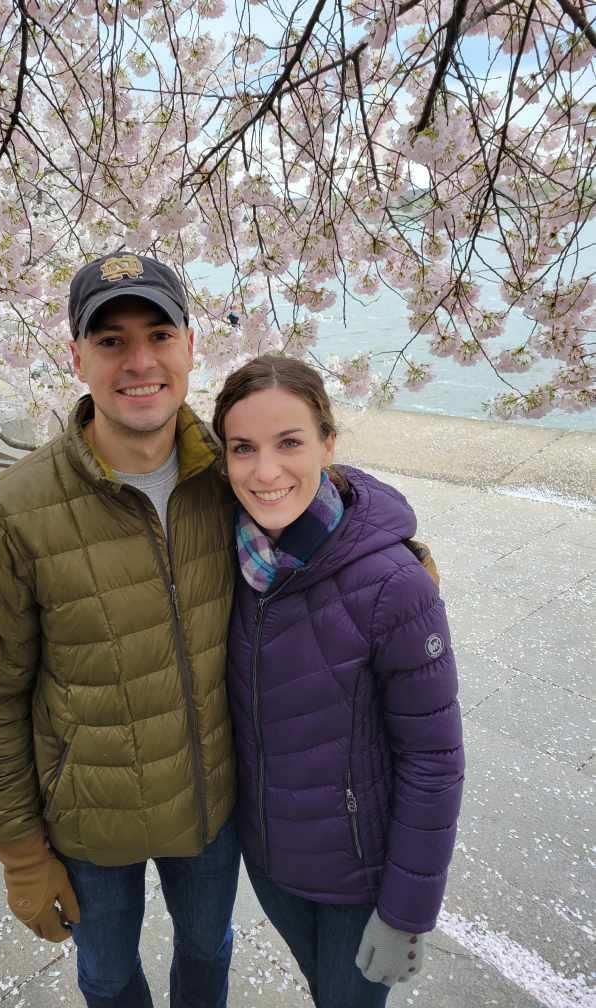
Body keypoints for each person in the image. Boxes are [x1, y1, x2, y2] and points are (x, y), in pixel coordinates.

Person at [0, 253, 241, 1008]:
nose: (139, 362)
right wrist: (18, 852)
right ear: (76, 357)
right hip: (86, 822)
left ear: (190, 346)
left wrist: (394, 554)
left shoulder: (233, 477)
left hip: (211, 801)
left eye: (158, 334)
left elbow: (319, 492)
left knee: (209, 950)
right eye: (110, 341)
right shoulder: (8, 514)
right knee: (107, 977)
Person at [211, 355, 465, 1008]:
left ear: (328, 443)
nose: (266, 472)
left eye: (289, 443)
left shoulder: (393, 587)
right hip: (271, 863)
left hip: (359, 881)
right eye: (244, 449)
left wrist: (407, 910)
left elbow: (433, 758)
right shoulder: (234, 560)